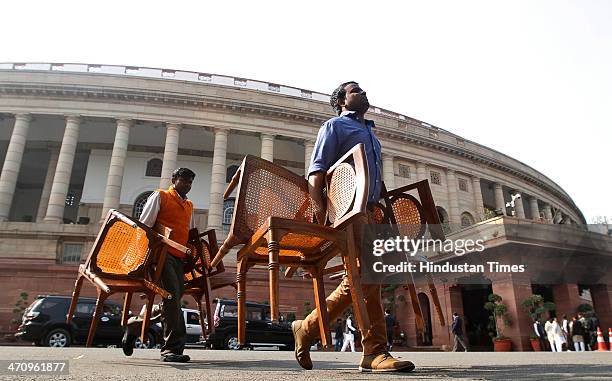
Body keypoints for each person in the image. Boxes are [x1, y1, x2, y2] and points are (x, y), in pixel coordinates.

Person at [290, 81, 415, 372]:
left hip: (370, 212)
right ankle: (374, 351)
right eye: (355, 89)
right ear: (342, 101)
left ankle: (306, 328)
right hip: (348, 210)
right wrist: (322, 212)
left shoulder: (371, 134)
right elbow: (317, 171)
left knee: (360, 278)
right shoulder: (334, 126)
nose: (363, 92)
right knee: (368, 275)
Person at [121, 167, 197, 363]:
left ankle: (135, 326)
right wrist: (141, 259)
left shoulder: (189, 205)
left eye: (190, 182)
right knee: (172, 297)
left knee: (172, 299)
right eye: (183, 181)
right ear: (174, 179)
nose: (187, 185)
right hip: (160, 256)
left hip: (179, 258)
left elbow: (187, 231)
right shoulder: (160, 196)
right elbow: (144, 226)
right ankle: (171, 349)